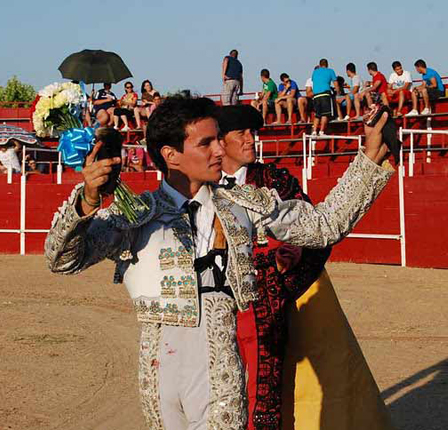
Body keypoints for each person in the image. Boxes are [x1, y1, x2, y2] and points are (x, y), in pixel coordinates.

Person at [45, 95, 394, 430]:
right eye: (206, 143)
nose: (219, 150)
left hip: (220, 358)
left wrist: (370, 155)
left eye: (218, 140)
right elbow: (62, 260)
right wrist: (87, 201)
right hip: (157, 366)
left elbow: (323, 226)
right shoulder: (138, 216)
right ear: (171, 155)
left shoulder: (242, 204)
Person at [218, 104, 396, 430]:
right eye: (240, 133)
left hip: (270, 312)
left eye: (252, 132)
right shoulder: (200, 192)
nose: (250, 140)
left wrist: (290, 266)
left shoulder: (273, 181)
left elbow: (318, 231)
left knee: (267, 402)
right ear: (220, 142)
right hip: (218, 317)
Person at [311, 59, 340, 136]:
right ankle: (321, 131)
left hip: (316, 95)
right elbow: (335, 83)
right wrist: (338, 92)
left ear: (319, 65)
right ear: (327, 65)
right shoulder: (330, 71)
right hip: (325, 95)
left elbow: (315, 81)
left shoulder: (315, 72)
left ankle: (314, 131)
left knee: (317, 115)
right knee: (325, 114)